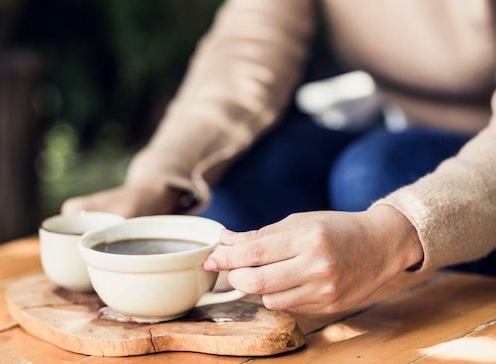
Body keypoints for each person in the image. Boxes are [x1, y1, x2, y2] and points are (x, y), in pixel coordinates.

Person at [61, 0, 496, 314]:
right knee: (238, 185)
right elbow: (247, 48)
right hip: (402, 133)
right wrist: (159, 180)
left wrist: (395, 232)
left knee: (374, 175)